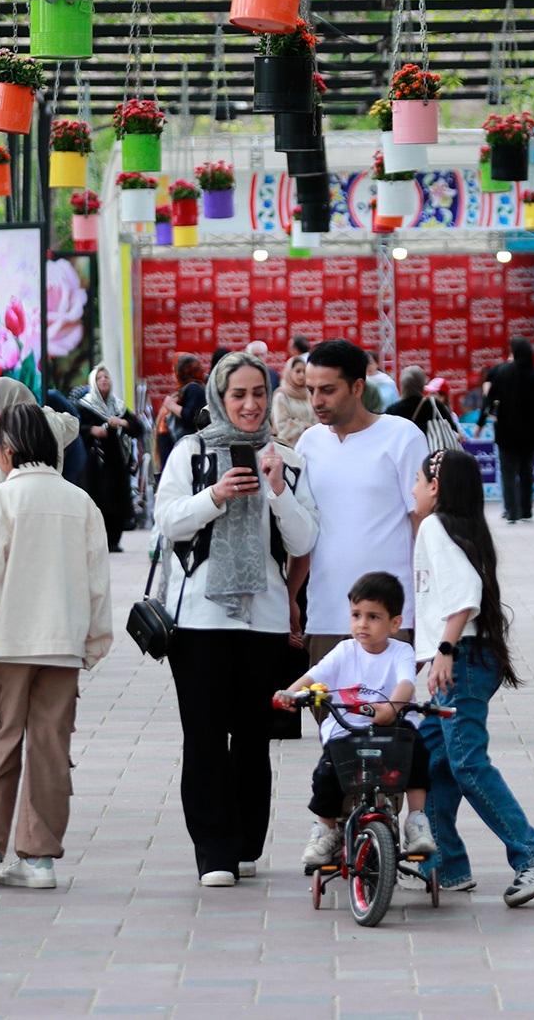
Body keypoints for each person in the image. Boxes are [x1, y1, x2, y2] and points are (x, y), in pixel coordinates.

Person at [154, 350, 319, 887]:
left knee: (252, 737)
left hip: (263, 621)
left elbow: (304, 540)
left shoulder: (287, 460)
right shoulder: (191, 452)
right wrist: (215, 495)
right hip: (199, 621)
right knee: (204, 737)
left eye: (257, 393)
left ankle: (246, 842)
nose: (249, 404)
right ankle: (214, 852)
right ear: (219, 398)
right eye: (238, 394)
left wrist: (277, 492)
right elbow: (168, 521)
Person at [0, 404, 113, 891]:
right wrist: (94, 641)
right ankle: (39, 858)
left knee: (0, 745)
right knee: (51, 750)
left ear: (6, 450)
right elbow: (97, 582)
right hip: (62, 646)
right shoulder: (80, 503)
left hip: (7, 644)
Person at [412, 449, 534, 904]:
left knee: (466, 762)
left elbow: (465, 594)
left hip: (461, 658)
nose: (413, 490)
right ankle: (445, 865)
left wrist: (444, 651)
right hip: (469, 657)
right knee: (433, 759)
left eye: (418, 481)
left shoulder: (434, 526)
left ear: (435, 487)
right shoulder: (461, 528)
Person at [276, 572, 437, 869]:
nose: (362, 624)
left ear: (395, 623)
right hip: (348, 729)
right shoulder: (344, 651)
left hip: (391, 729)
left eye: (373, 617)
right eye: (356, 615)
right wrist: (290, 693)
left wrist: (391, 708)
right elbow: (315, 675)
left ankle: (417, 821)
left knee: (417, 751)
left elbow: (406, 683)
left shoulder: (401, 651)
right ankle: (325, 830)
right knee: (327, 772)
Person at [296, 338, 430, 663]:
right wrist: (289, 597)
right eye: (311, 390)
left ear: (357, 387)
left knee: (389, 698)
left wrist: (427, 609)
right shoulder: (308, 443)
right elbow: (303, 532)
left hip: (390, 616)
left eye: (328, 390)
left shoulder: (402, 436)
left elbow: (423, 525)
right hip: (325, 615)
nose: (317, 400)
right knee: (324, 699)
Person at [0, 376, 78, 498]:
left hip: (10, 498)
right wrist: (38, 411)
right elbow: (73, 424)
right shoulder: (50, 422)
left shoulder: (4, 427)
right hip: (49, 494)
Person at [74, 363, 145, 552]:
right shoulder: (84, 406)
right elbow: (75, 428)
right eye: (99, 378)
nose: (104, 380)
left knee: (117, 498)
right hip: (94, 462)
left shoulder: (118, 406)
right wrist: (92, 430)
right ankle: (98, 541)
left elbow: (138, 428)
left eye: (106, 377)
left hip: (116, 460)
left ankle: (114, 540)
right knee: (98, 499)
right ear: (93, 383)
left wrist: (122, 422)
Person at [486, 337, 534, 524]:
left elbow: (490, 399)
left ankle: (511, 511)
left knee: (508, 473)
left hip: (506, 432)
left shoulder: (503, 372)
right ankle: (526, 510)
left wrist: (484, 420)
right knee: (526, 471)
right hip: (529, 433)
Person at [156, 353, 209, 478]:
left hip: (182, 442)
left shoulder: (193, 388)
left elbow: (191, 416)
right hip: (180, 443)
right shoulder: (192, 388)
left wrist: (171, 405)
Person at [271, 353, 317, 448]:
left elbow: (316, 419)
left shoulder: (309, 394)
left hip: (311, 445)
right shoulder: (281, 395)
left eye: (304, 372)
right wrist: (303, 426)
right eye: (298, 371)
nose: (302, 375)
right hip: (289, 447)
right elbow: (281, 426)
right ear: (289, 372)